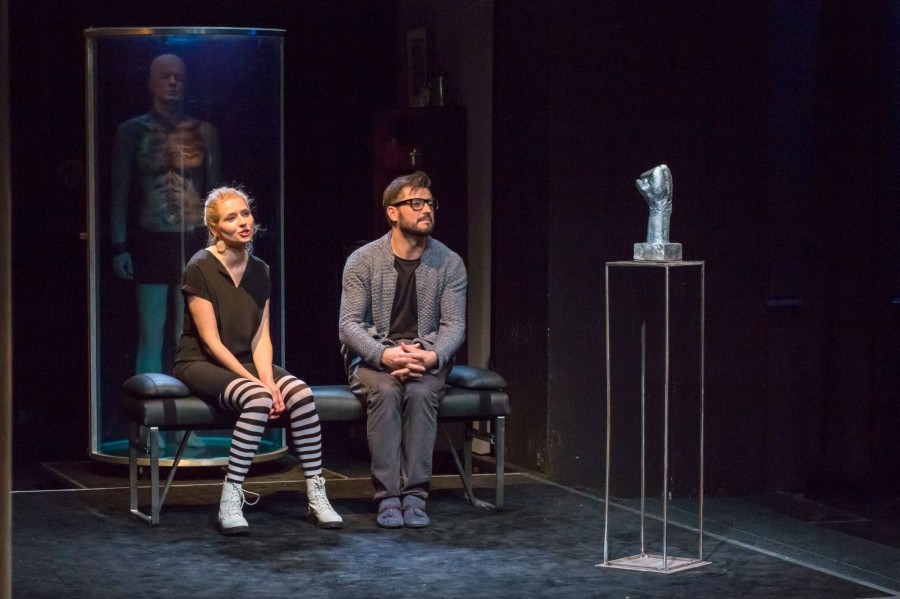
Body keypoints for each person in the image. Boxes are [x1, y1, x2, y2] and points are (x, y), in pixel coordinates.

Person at [173, 187, 342, 535]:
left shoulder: (260, 270)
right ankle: (230, 497)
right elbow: (211, 343)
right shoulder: (200, 267)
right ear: (215, 228)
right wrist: (258, 385)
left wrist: (267, 379)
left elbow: (260, 337)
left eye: (245, 213)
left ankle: (316, 494)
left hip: (244, 359)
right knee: (258, 398)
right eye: (231, 218)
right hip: (200, 362)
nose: (243, 222)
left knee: (301, 394)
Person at [339, 171, 467, 528]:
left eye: (429, 203)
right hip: (374, 356)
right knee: (385, 389)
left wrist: (431, 356)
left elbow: (454, 325)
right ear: (392, 213)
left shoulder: (449, 262)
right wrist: (384, 355)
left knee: (421, 392)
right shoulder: (363, 260)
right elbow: (349, 325)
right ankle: (387, 497)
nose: (426, 209)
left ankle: (415, 496)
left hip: (426, 356)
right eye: (416, 203)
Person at [110, 53, 221, 375]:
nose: (172, 82)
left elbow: (217, 194)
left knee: (188, 333)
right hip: (151, 237)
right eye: (165, 76)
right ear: (150, 83)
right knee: (151, 334)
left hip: (193, 236)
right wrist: (119, 246)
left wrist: (220, 245)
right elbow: (119, 191)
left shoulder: (204, 132)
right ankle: (148, 407)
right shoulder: (132, 131)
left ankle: (190, 405)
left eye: (179, 77)